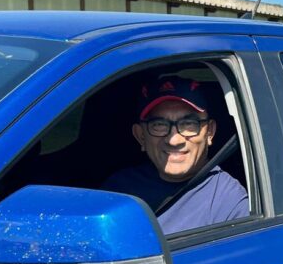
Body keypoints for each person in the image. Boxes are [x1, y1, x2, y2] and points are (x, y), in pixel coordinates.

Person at [103, 75, 248, 233]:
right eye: (159, 125)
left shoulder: (228, 202)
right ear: (141, 136)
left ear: (209, 132)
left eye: (188, 124)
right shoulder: (119, 190)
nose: (174, 140)